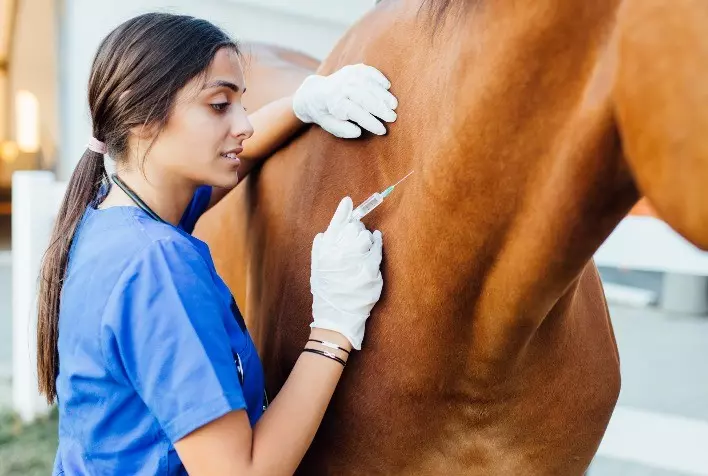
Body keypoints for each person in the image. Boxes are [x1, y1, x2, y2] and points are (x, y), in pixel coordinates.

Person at [36, 12, 397, 475]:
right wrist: (334, 327)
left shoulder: (109, 218)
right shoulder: (156, 266)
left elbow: (230, 169)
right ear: (144, 115)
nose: (244, 124)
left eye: (241, 103)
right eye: (219, 105)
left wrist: (304, 103)